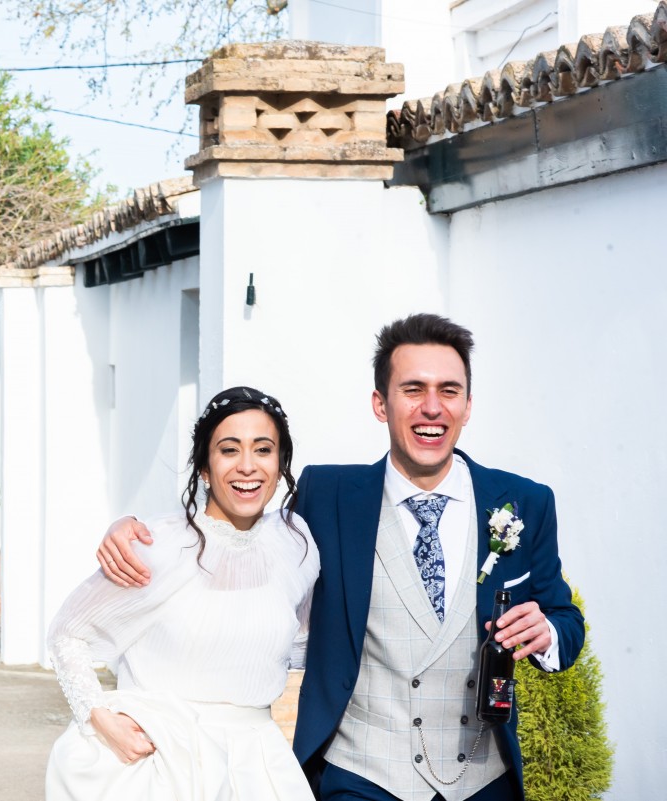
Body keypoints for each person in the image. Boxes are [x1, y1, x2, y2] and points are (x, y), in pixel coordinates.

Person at [96, 314, 585, 801]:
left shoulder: (525, 501)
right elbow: (239, 535)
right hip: (361, 776)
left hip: (484, 779)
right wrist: (143, 534)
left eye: (449, 391)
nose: (432, 407)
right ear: (380, 403)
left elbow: (566, 620)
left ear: (468, 404)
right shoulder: (327, 493)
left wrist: (547, 635)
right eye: (412, 389)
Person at [45, 386, 320, 801]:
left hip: (257, 765)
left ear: (280, 465)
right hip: (161, 765)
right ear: (205, 468)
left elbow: (298, 645)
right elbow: (67, 634)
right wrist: (99, 716)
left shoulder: (296, 546)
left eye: (263, 450)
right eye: (229, 450)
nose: (248, 466)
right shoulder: (156, 545)